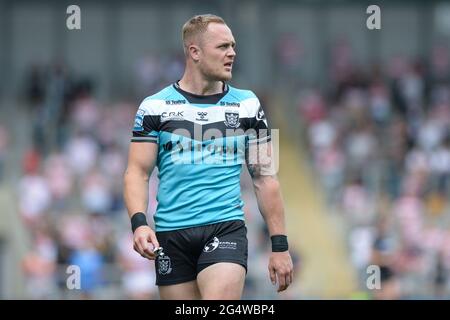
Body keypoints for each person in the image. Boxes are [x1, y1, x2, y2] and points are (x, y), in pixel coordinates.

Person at [123, 14, 293, 300]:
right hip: (171, 235)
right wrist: (139, 223)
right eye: (223, 47)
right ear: (194, 52)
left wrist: (280, 246)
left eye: (234, 46)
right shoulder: (153, 106)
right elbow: (137, 173)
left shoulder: (249, 104)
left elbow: (266, 178)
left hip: (225, 228)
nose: (232, 53)